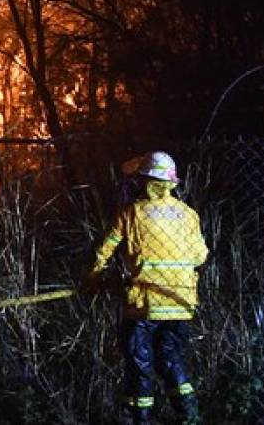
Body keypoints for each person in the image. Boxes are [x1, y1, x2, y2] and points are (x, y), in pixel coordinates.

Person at [88, 151, 208, 425]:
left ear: (144, 181)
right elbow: (201, 255)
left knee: (140, 362)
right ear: (171, 183)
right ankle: (188, 414)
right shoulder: (188, 215)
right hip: (180, 304)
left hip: (143, 305)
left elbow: (104, 250)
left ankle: (140, 418)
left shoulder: (132, 213)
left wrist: (92, 279)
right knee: (170, 359)